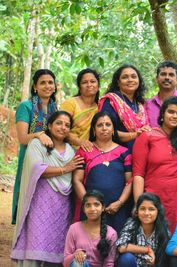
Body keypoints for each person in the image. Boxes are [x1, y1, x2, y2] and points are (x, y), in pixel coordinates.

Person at [11, 111, 84, 265]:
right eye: (59, 123)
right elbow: (37, 169)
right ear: (50, 126)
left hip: (62, 206)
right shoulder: (38, 144)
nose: (63, 127)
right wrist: (65, 168)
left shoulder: (72, 151)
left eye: (67, 125)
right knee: (37, 242)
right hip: (40, 203)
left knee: (57, 248)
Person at [133, 96, 177, 232]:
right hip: (152, 196)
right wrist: (139, 204)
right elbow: (138, 174)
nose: (175, 116)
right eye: (171, 112)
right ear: (162, 114)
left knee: (174, 240)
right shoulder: (147, 136)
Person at [73, 111, 133, 233]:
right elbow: (76, 180)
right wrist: (89, 205)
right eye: (100, 125)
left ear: (113, 129)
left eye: (108, 124)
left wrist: (119, 203)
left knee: (116, 245)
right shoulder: (84, 150)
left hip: (116, 209)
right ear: (94, 130)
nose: (104, 128)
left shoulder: (124, 152)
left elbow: (130, 182)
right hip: (90, 211)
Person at [12, 69, 58, 224]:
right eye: (42, 83)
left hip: (50, 157)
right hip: (30, 158)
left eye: (50, 82)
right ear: (35, 87)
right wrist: (39, 134)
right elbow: (23, 138)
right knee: (27, 195)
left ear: (55, 86)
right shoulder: (26, 107)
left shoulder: (55, 109)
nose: (47, 86)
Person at [99, 64, 150, 151]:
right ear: (118, 82)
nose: (130, 80)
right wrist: (135, 134)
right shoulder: (111, 101)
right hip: (118, 155)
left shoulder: (140, 104)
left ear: (139, 80)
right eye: (125, 77)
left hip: (142, 152)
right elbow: (106, 131)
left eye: (133, 77)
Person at [64, 190, 117, 267]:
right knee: (79, 262)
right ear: (84, 209)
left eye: (96, 204)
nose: (92, 209)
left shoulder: (111, 233)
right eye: (88, 205)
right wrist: (76, 255)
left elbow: (109, 263)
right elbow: (65, 261)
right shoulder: (74, 228)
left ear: (103, 208)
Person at [116, 193, 170, 267]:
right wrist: (147, 250)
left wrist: (155, 264)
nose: (146, 213)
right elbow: (121, 246)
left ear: (158, 211)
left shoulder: (162, 228)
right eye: (142, 208)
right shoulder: (132, 224)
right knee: (126, 258)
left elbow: (168, 253)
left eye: (151, 209)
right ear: (137, 211)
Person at [61, 68, 100, 150]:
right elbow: (61, 128)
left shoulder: (99, 107)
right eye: (84, 82)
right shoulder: (70, 103)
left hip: (90, 151)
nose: (89, 85)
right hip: (67, 149)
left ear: (98, 86)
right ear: (79, 87)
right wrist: (80, 142)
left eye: (92, 81)